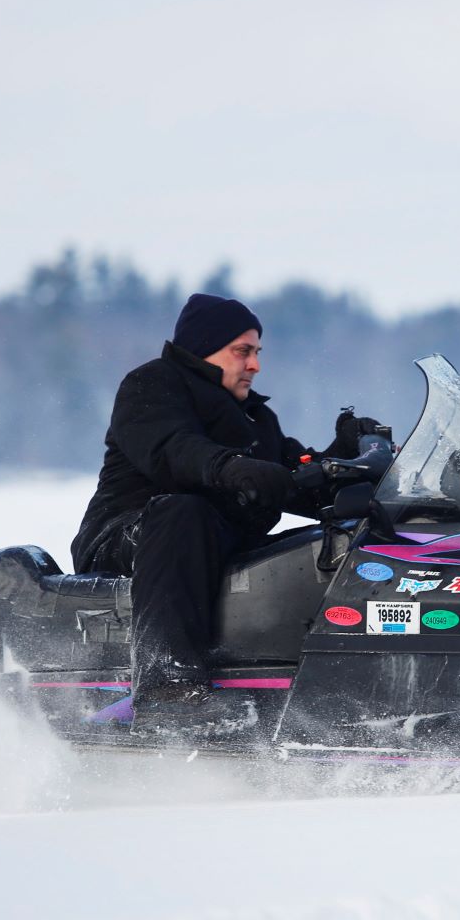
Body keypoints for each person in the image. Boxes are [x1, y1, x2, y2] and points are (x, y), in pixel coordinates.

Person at [71, 293, 371, 733]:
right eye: (243, 352)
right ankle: (168, 688)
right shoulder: (153, 385)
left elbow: (292, 480)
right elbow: (172, 450)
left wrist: (344, 461)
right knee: (184, 512)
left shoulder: (255, 420)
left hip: (214, 547)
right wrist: (230, 467)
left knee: (312, 548)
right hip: (133, 539)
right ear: (203, 349)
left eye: (257, 353)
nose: (255, 365)